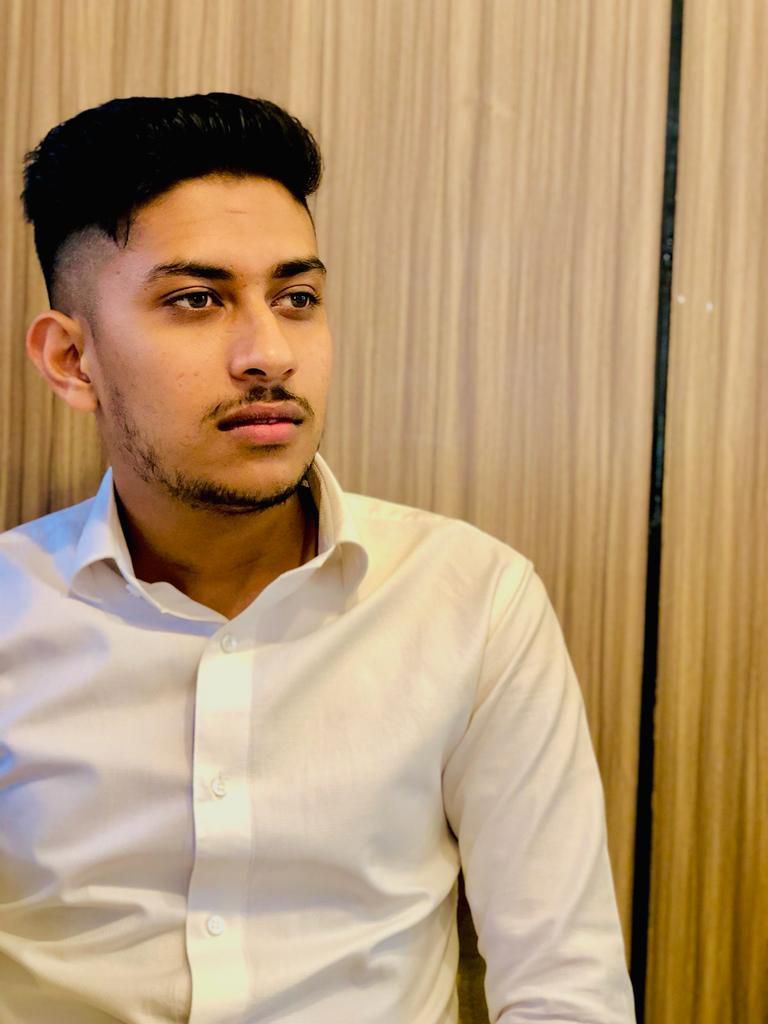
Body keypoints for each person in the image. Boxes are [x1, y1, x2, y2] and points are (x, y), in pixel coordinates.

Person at [0, 92, 636, 1023]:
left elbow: (566, 988)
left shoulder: (470, 599)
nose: (269, 354)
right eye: (196, 300)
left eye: (296, 299)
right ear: (71, 360)